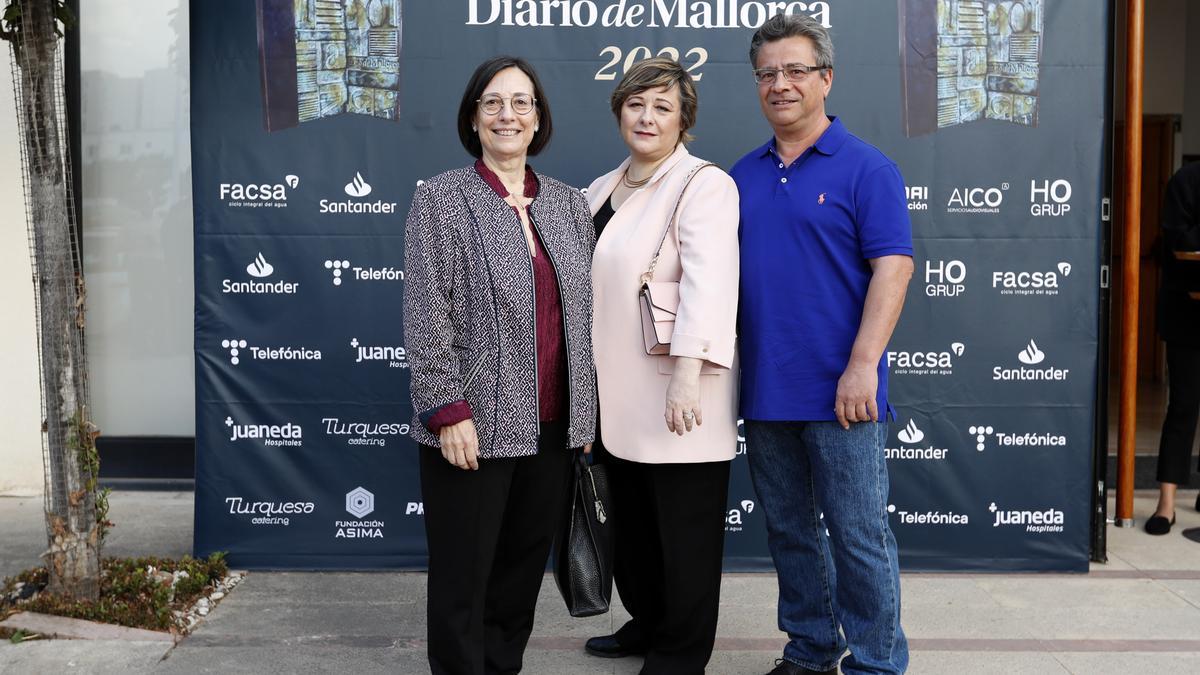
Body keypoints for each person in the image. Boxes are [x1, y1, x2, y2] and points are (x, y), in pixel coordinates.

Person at [731, 14, 914, 675]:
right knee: (790, 531)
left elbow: (894, 268)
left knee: (860, 534)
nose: (781, 84)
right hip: (766, 388)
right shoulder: (739, 176)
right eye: (768, 73)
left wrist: (863, 365)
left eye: (796, 70)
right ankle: (811, 647)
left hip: (844, 391)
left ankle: (875, 660)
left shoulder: (868, 168)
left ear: (825, 78)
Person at [402, 55, 596, 675]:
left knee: (517, 579)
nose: (507, 114)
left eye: (521, 102)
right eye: (493, 102)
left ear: (539, 118)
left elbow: (585, 318)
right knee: (464, 580)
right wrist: (447, 412)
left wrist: (587, 419)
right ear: (474, 117)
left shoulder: (568, 206)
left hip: (553, 430)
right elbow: (425, 311)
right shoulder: (441, 200)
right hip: (473, 431)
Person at [583, 57, 741, 674]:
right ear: (619, 109)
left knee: (685, 538)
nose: (646, 117)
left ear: (684, 120)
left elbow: (710, 284)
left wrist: (685, 377)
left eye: (662, 107)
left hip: (680, 392)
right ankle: (647, 623)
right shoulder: (599, 187)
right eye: (636, 104)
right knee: (635, 532)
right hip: (612, 395)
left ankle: (680, 651)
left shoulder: (704, 184)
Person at [1146, 160, 1200, 536]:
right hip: (1187, 312)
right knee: (1183, 405)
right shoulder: (1186, 180)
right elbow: (1180, 241)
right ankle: (1166, 503)